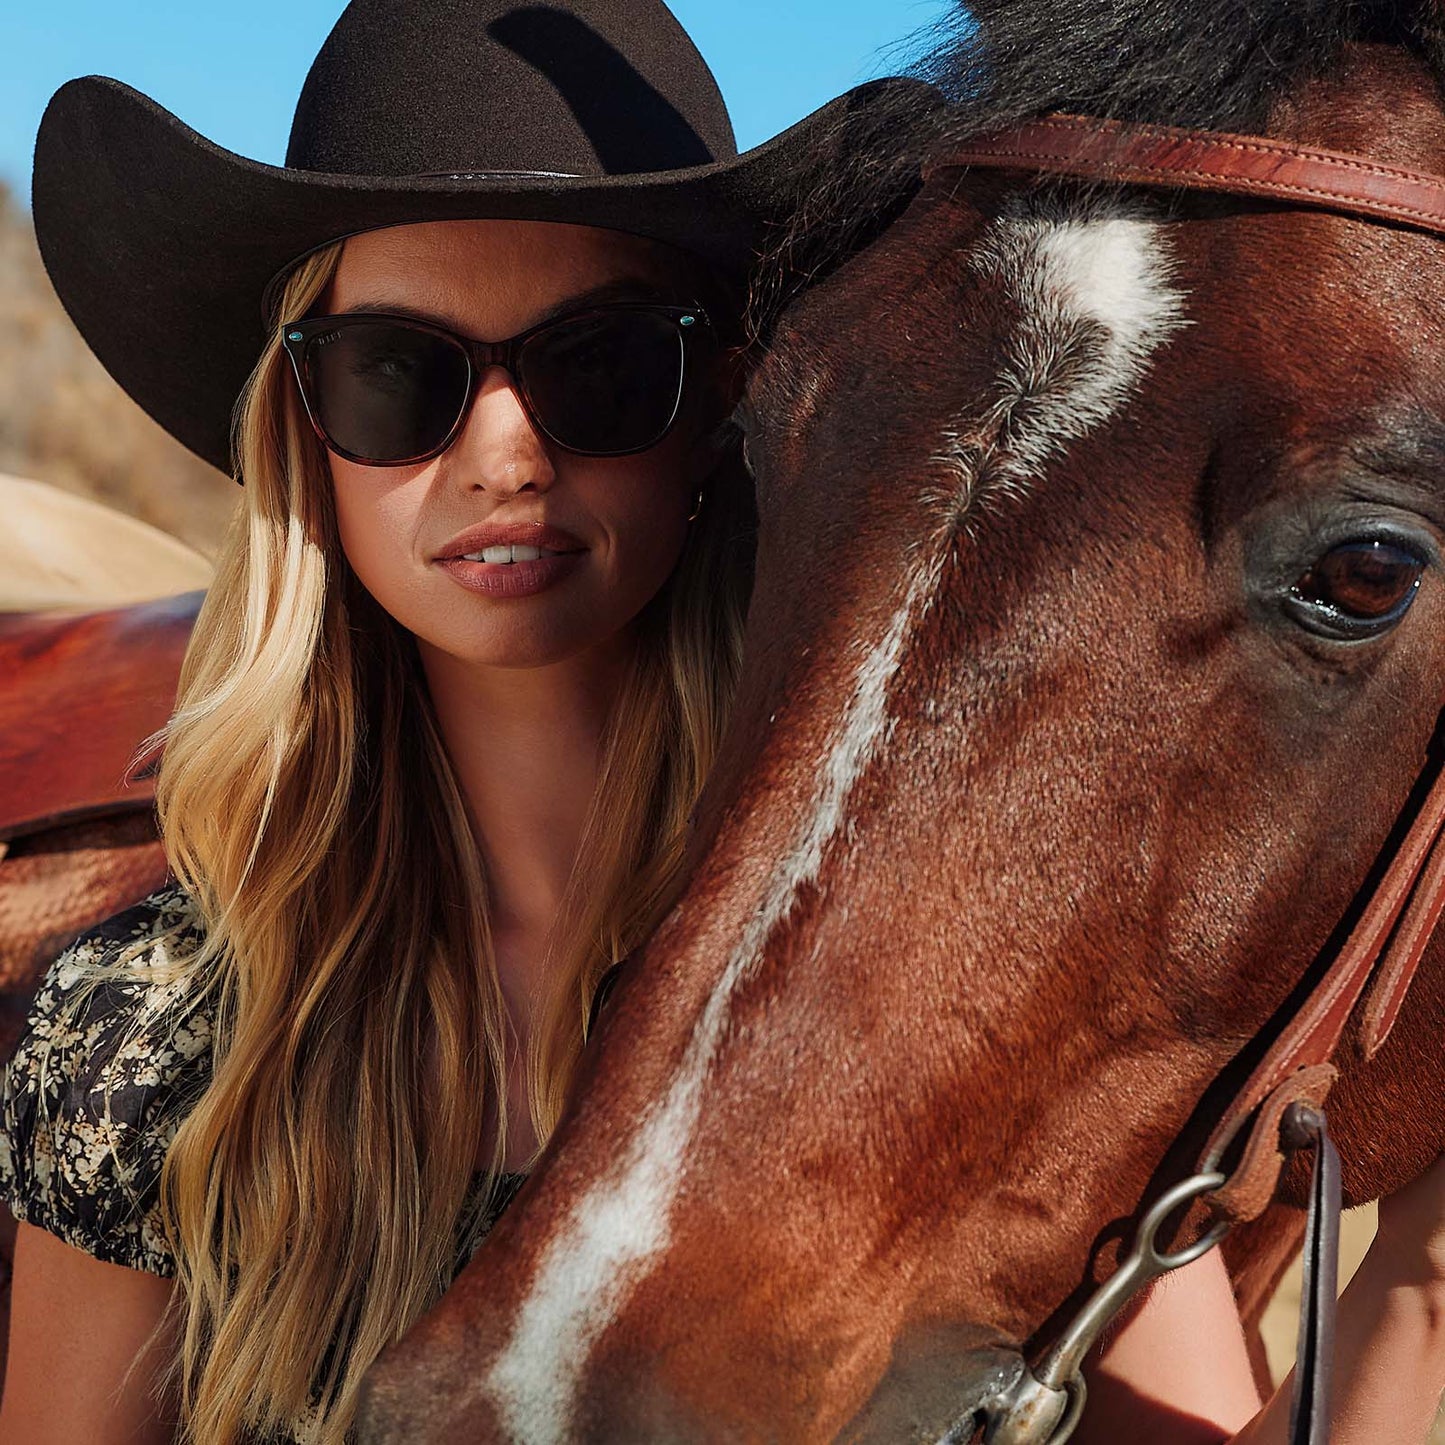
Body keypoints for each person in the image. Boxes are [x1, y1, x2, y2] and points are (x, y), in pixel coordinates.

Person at [0, 3, 1442, 1444]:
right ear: (302, 437)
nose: (503, 452)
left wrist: (1420, 1291)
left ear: (724, 409)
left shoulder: (924, 980)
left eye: (601, 365)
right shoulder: (150, 1034)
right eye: (395, 374)